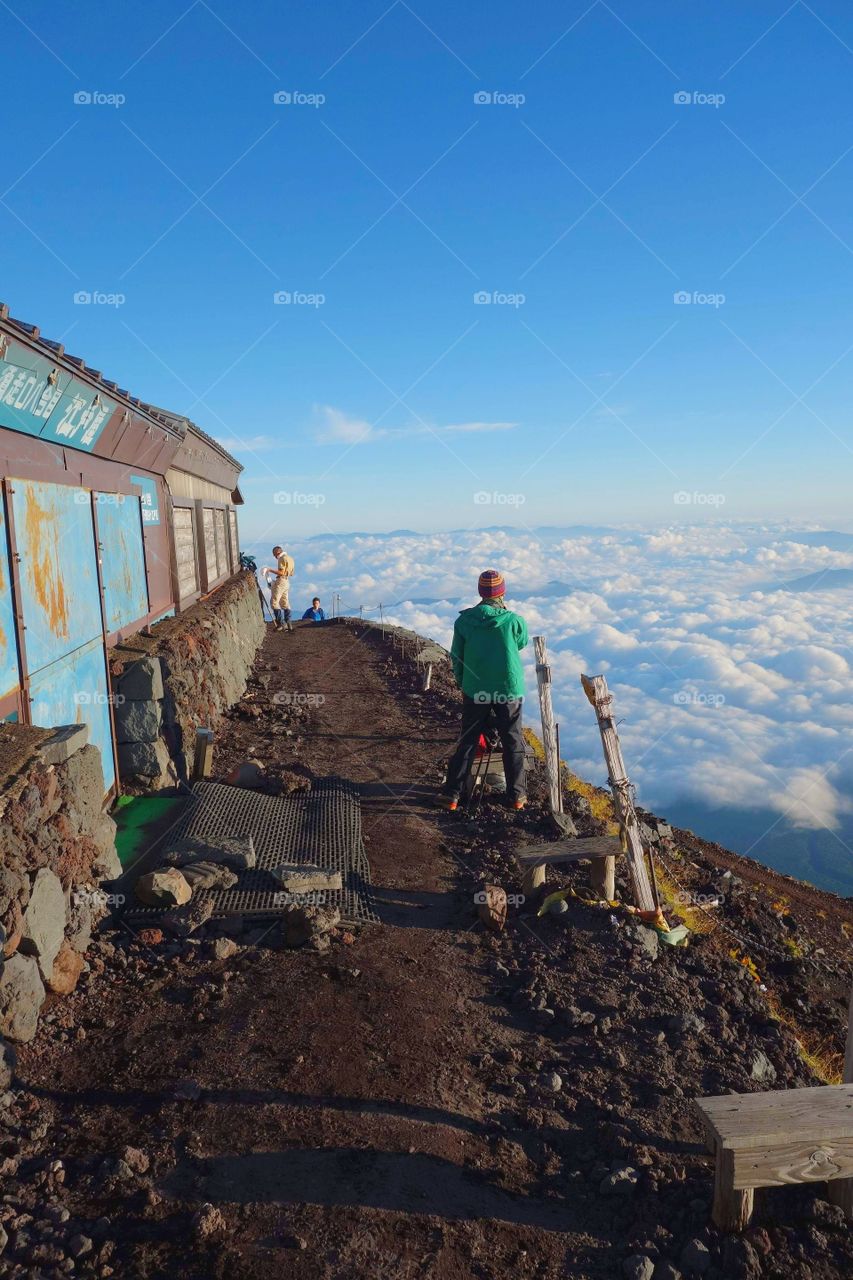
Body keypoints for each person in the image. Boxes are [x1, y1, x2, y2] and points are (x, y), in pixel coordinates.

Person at [439, 569, 529, 812]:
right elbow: (521, 642)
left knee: (468, 739)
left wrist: (462, 682)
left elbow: (456, 656)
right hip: (508, 688)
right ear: (502, 592)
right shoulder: (514, 621)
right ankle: (517, 796)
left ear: (480, 592)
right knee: (512, 740)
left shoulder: (464, 621)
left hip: (475, 688)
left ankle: (453, 795)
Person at [262, 545, 295, 632]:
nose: (274, 556)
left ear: (278, 552)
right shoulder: (290, 559)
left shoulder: (281, 558)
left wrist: (269, 570)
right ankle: (289, 624)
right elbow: (291, 573)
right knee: (285, 603)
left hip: (281, 581)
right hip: (287, 582)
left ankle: (280, 624)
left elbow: (281, 572)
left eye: (274, 554)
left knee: (274, 602)